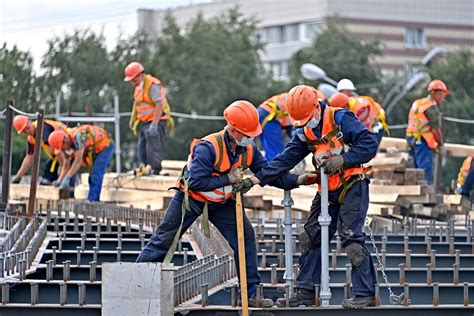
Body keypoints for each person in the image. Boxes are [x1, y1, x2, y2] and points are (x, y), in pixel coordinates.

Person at [135, 100, 317, 307]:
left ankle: (250, 295)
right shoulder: (208, 147)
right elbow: (196, 182)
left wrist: (298, 180)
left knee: (245, 239)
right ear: (232, 130)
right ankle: (136, 288)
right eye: (246, 134)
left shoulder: (249, 150)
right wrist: (228, 179)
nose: (251, 138)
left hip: (222, 203)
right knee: (163, 240)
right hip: (191, 200)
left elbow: (269, 175)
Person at [233, 85, 379, 309]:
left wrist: (344, 160)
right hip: (327, 189)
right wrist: (256, 179)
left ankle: (365, 294)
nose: (304, 124)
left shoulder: (340, 118)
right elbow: (285, 160)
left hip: (353, 185)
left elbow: (369, 144)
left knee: (351, 241)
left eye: (307, 118)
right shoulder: (304, 130)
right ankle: (306, 292)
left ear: (316, 108)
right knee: (310, 238)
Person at [124, 61, 173, 175]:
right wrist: (134, 120)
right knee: (142, 145)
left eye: (133, 79)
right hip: (144, 121)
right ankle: (143, 166)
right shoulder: (138, 87)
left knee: (153, 145)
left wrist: (155, 124)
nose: (132, 82)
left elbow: (159, 105)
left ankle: (155, 169)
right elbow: (137, 104)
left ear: (140, 75)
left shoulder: (152, 85)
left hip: (156, 120)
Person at [48, 124, 114, 202]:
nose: (62, 150)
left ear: (64, 140)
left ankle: (93, 200)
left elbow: (78, 161)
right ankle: (92, 199)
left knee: (96, 173)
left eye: (62, 147)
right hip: (94, 150)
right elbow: (66, 164)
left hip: (105, 146)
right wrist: (60, 180)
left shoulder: (79, 137)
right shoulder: (68, 145)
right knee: (92, 175)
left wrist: (67, 178)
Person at [406, 79, 449, 184]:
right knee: (424, 171)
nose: (443, 99)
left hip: (410, 139)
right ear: (436, 94)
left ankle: (413, 192)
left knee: (413, 170)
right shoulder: (430, 107)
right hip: (422, 141)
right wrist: (440, 144)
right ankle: (423, 195)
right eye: (443, 95)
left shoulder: (417, 103)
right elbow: (435, 130)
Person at [12, 115, 67, 185]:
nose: (28, 131)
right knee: (45, 181)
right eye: (24, 132)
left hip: (68, 154)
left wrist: (63, 168)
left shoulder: (43, 129)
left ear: (30, 121)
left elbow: (58, 151)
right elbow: (29, 158)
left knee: (61, 182)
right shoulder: (32, 138)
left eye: (27, 128)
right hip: (57, 158)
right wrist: (18, 177)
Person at [257, 93, 293, 161]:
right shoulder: (299, 106)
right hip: (269, 116)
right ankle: (275, 170)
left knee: (269, 148)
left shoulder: (294, 97)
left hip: (261, 112)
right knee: (276, 152)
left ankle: (267, 167)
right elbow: (293, 133)